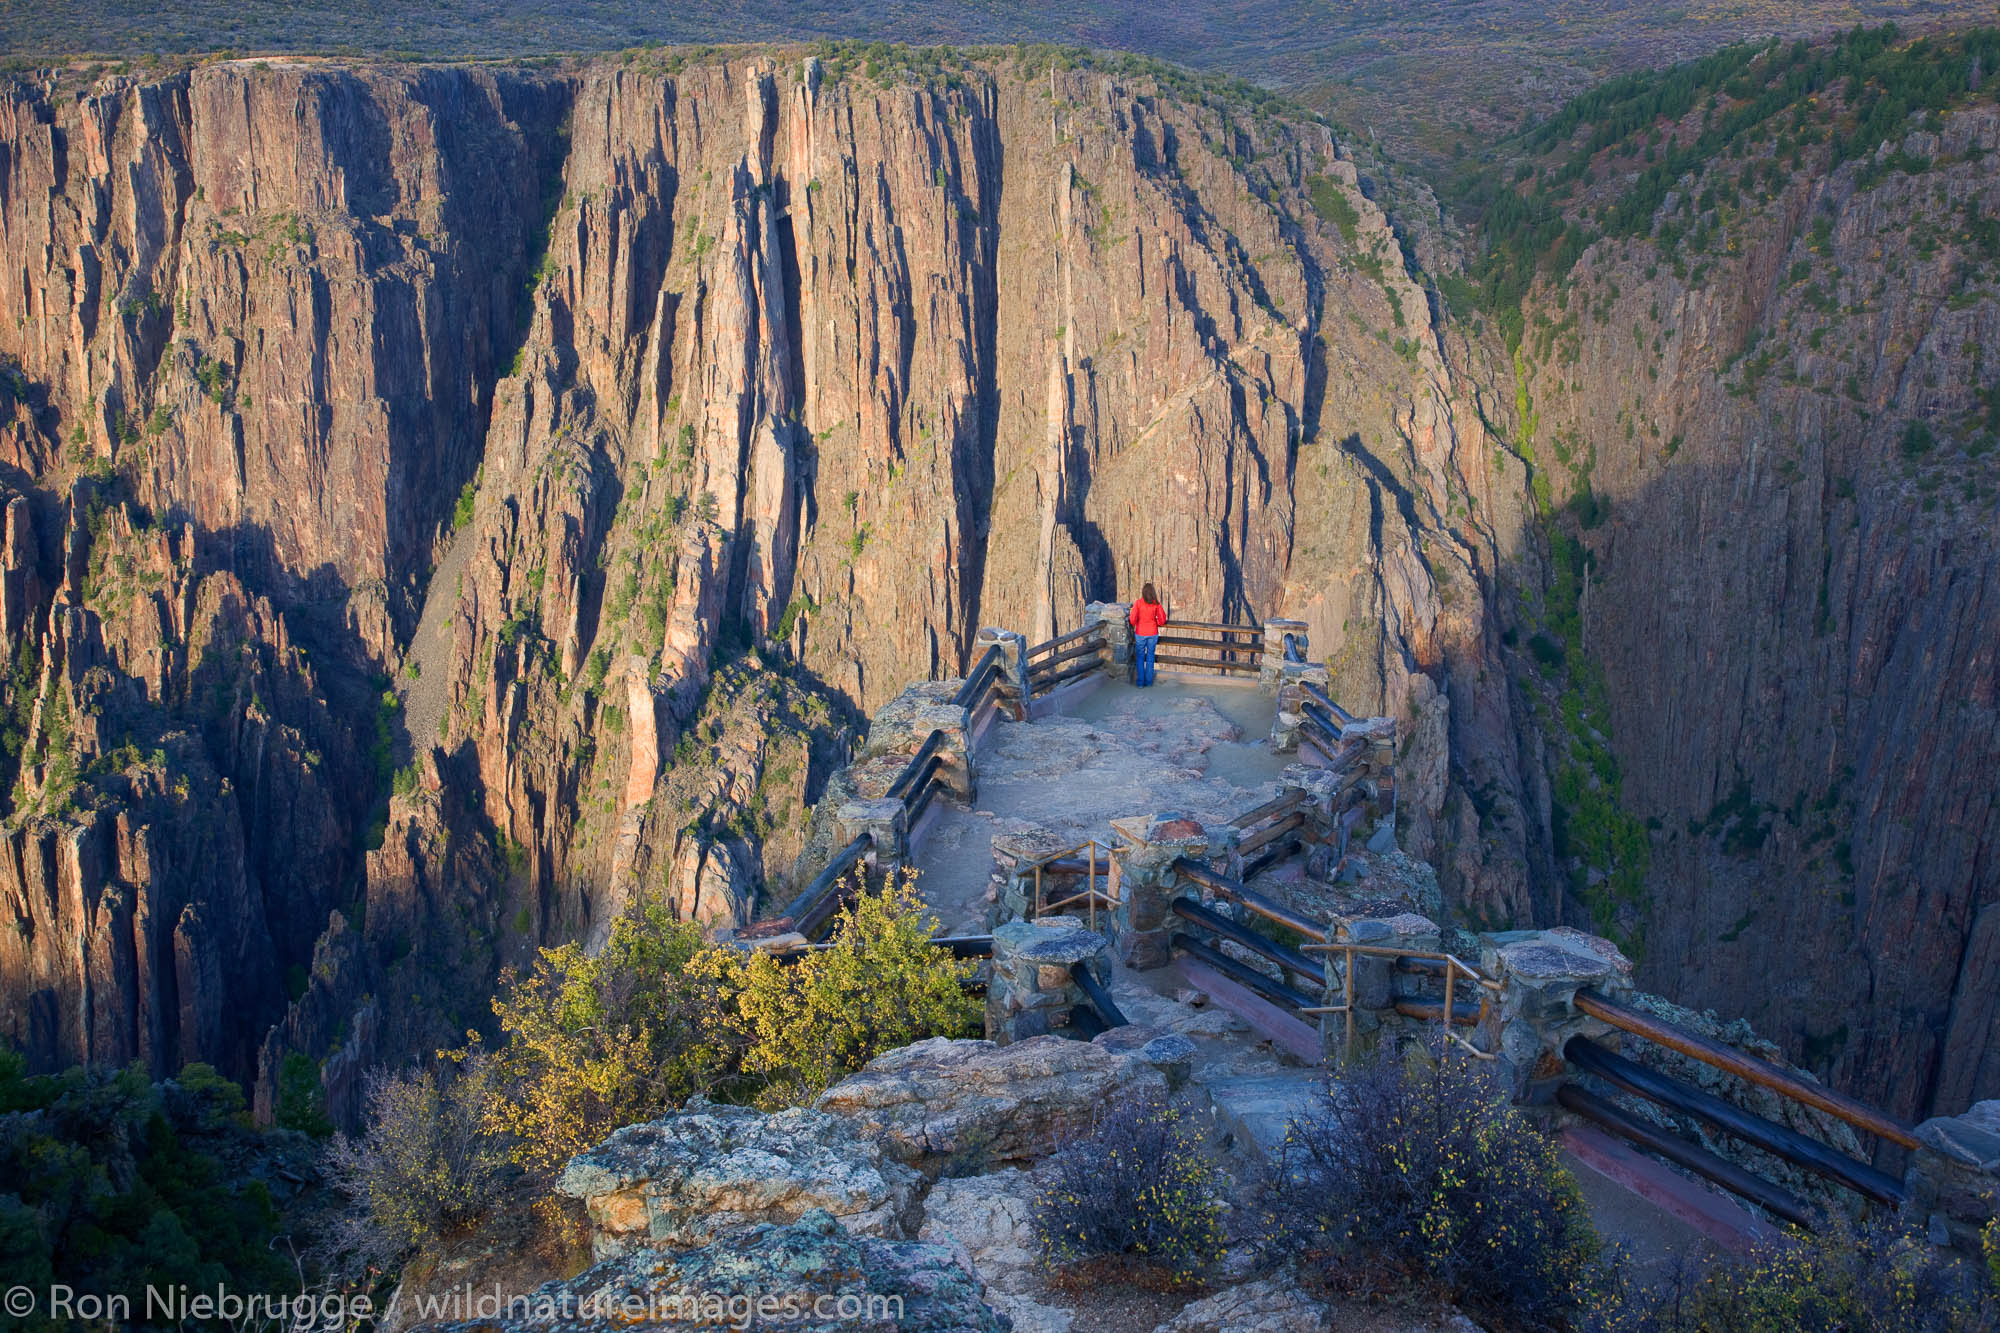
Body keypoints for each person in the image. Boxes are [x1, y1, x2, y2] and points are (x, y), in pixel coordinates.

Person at [1129, 583, 1167, 686]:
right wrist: (1157, 623)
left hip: (1140, 633)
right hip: (1153, 633)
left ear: (1143, 592)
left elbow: (1132, 619)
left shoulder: (1138, 603)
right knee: (1150, 657)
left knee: (1140, 658)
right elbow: (1162, 620)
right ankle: (1149, 682)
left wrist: (1136, 623)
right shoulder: (1156, 604)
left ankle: (1140, 683)